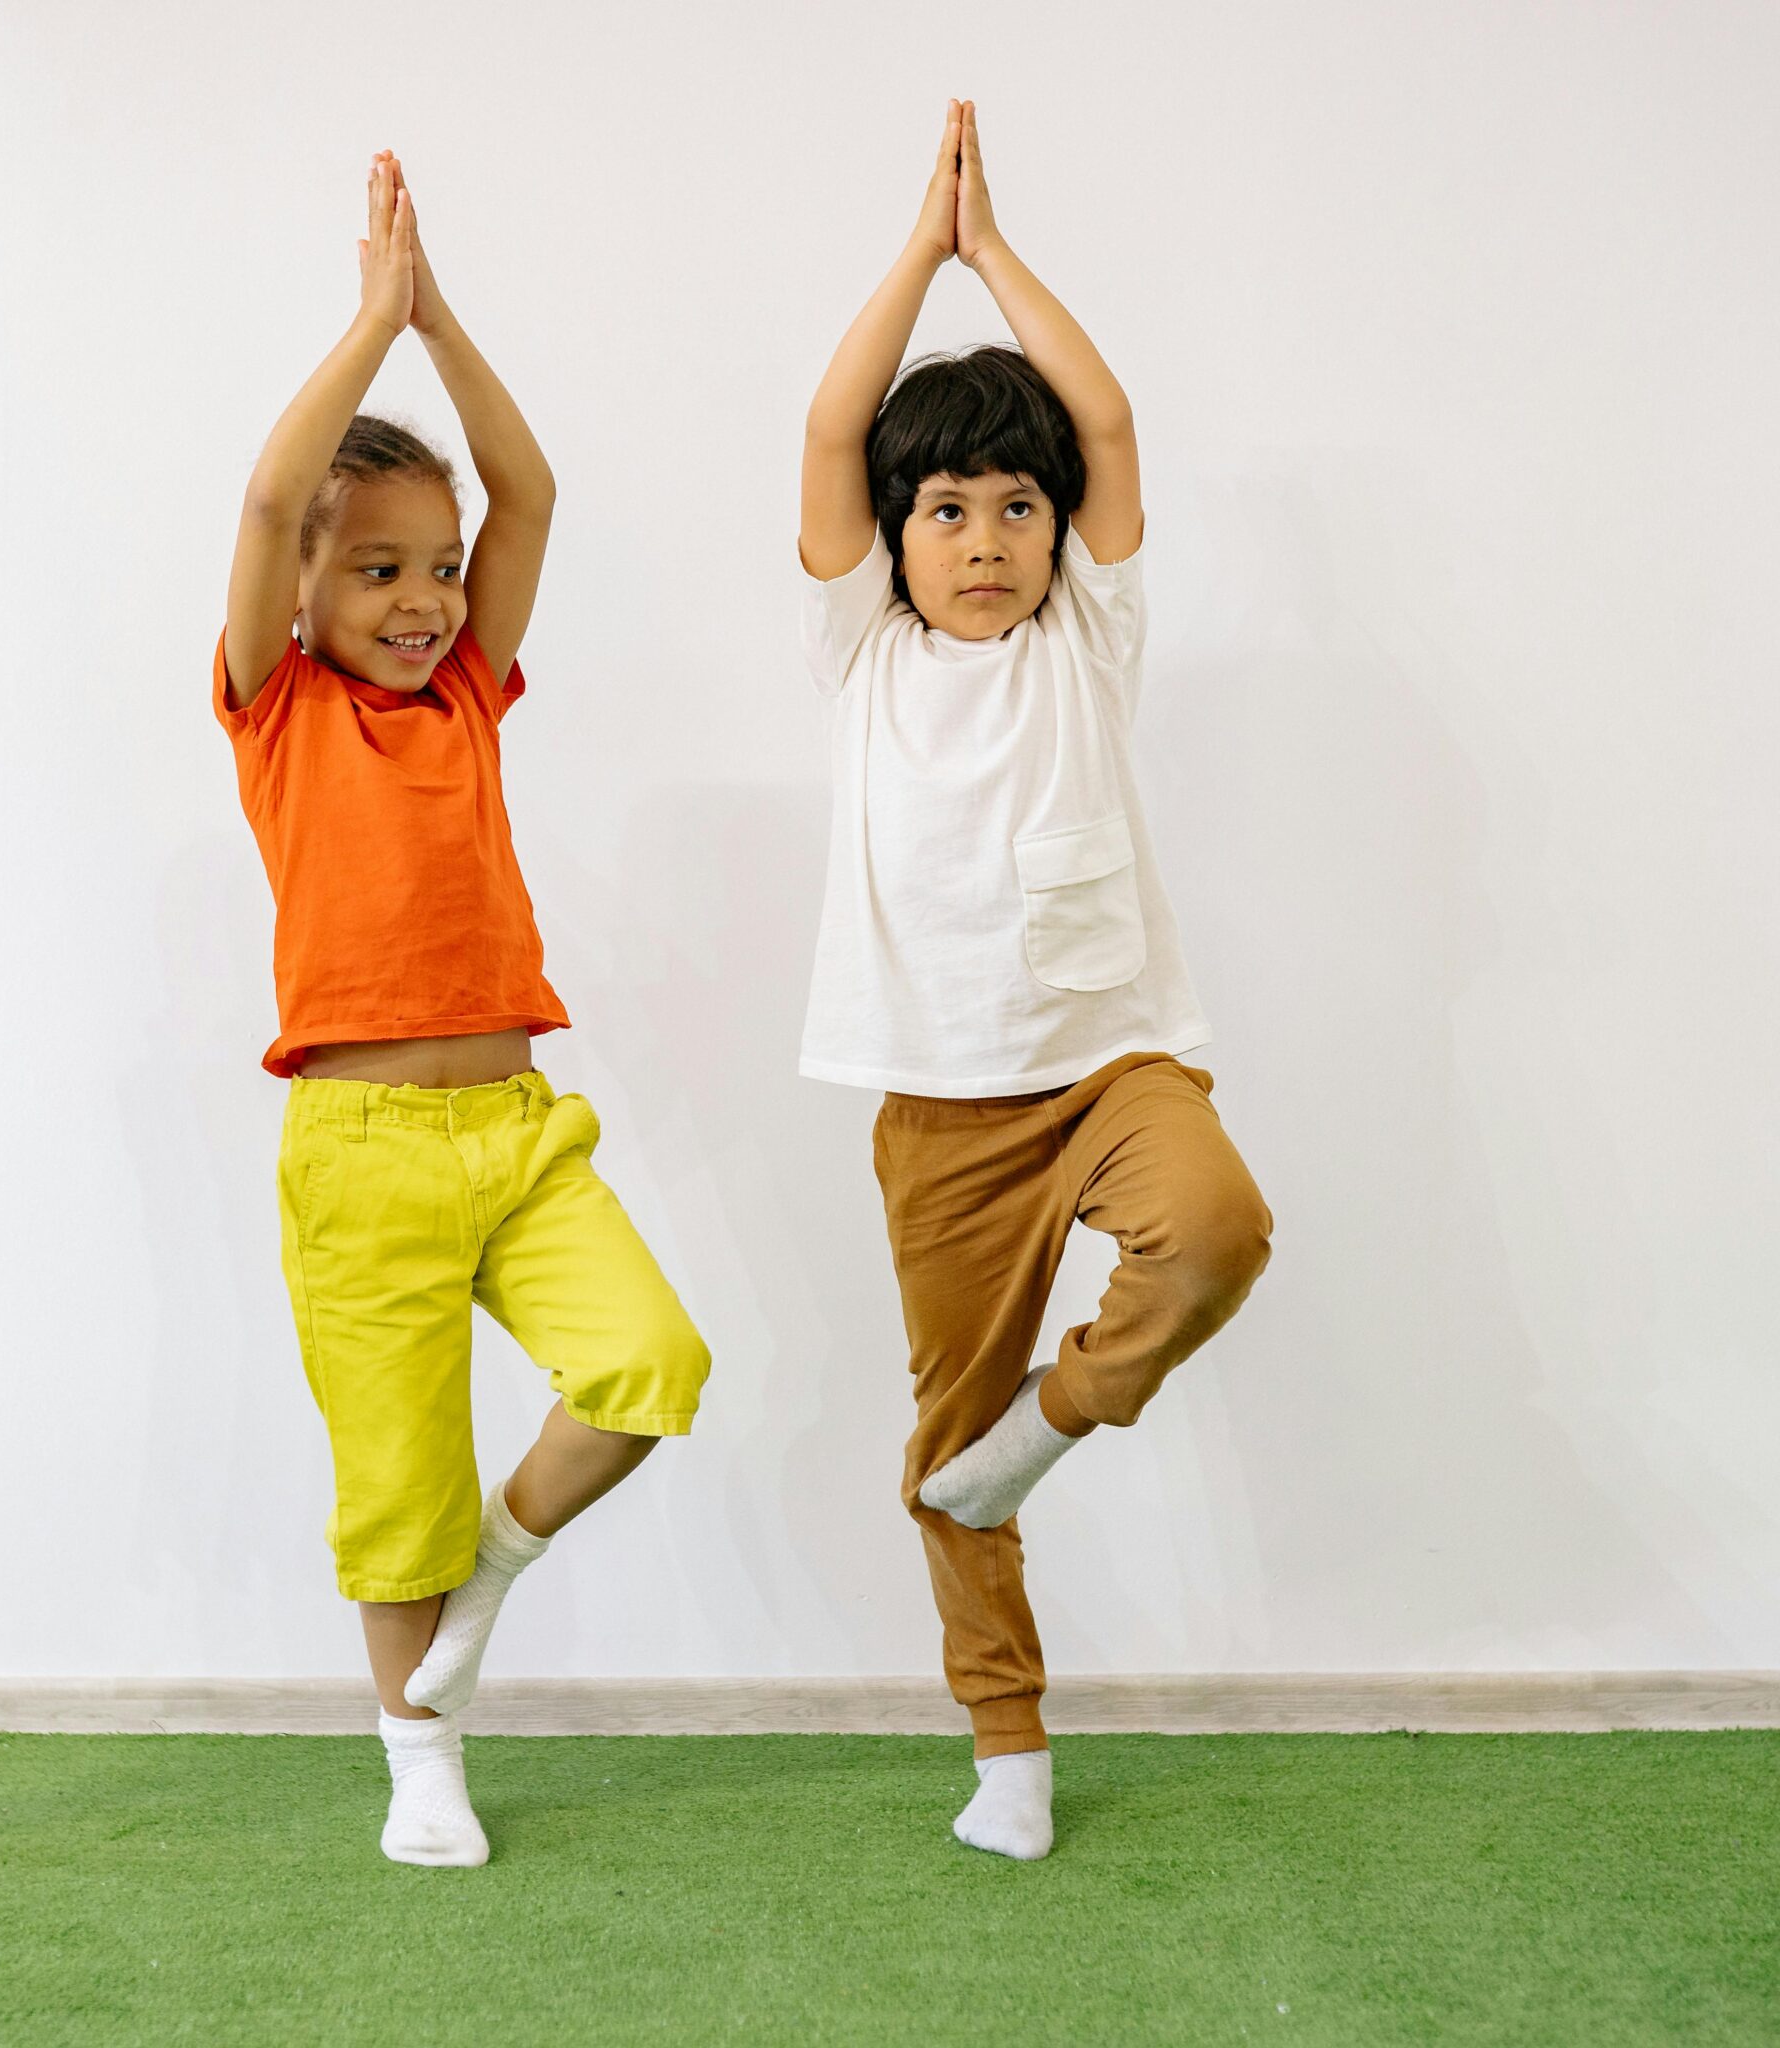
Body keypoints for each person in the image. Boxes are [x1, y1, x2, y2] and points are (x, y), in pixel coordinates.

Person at [218, 154, 711, 1866]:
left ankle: (496, 1575)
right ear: (303, 596)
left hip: (516, 1132)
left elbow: (529, 485)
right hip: (356, 1153)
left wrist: (437, 318)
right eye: (380, 575)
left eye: (439, 570)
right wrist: (366, 328)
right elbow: (278, 499)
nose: (425, 600)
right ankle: (419, 1752)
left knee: (652, 1365)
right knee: (399, 1492)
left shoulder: (472, 702)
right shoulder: (275, 710)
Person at [797, 103, 1273, 1860]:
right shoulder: (863, 655)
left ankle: (1061, 1415)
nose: (987, 536)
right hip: (940, 1107)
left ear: (1060, 537)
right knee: (947, 1446)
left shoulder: (1091, 635)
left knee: (1217, 1230)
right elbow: (837, 425)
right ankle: (1008, 1751)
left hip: (1110, 1066)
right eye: (947, 510)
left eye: (1017, 508)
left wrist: (998, 255)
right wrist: (918, 257)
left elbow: (1112, 422)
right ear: (894, 537)